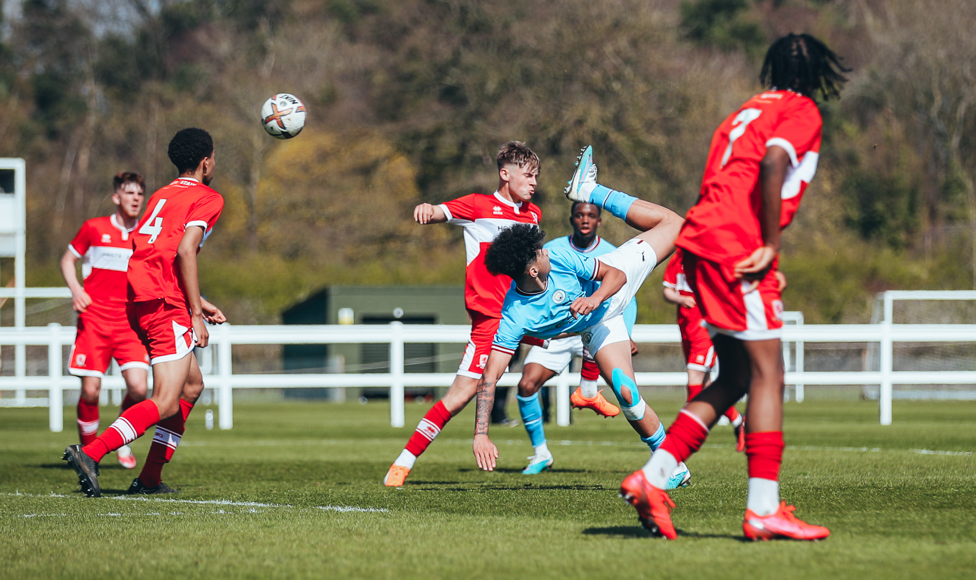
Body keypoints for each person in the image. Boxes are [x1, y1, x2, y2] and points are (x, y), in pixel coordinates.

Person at [620, 33, 848, 541]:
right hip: (735, 246)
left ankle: (651, 479)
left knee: (738, 376)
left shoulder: (743, 112)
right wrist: (767, 245)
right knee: (769, 373)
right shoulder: (802, 110)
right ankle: (763, 509)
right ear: (818, 74)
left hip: (702, 241)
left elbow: (721, 181)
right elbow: (772, 165)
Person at [471, 147, 692, 490]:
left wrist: (593, 298)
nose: (546, 249)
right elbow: (490, 376)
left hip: (615, 285)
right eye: (539, 251)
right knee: (627, 394)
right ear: (531, 269)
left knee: (677, 225)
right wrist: (481, 435)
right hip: (598, 325)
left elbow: (615, 276)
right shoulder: (514, 315)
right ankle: (671, 465)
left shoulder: (560, 257)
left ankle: (592, 191)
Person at [63, 128, 227, 497]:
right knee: (166, 399)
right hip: (164, 304)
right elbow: (185, 251)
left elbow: (156, 253)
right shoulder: (208, 197)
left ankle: (150, 478)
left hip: (141, 299)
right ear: (206, 161)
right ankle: (90, 453)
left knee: (191, 385)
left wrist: (197, 302)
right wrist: (196, 317)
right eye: (213, 157)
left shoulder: (161, 196)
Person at [383, 141, 545, 487]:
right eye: (528, 175)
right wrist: (428, 208)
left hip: (523, 316)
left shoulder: (533, 216)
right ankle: (403, 462)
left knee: (584, 330)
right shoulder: (477, 206)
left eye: (536, 177)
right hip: (490, 319)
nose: (534, 183)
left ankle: (590, 389)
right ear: (505, 174)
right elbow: (440, 211)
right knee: (460, 395)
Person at [515, 201, 638, 474]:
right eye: (580, 215)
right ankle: (540, 454)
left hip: (596, 323)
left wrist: (626, 332)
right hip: (562, 331)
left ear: (599, 222)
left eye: (591, 216)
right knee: (526, 385)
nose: (585, 220)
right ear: (571, 218)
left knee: (626, 389)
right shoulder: (553, 250)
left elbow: (626, 295)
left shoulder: (610, 252)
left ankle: (590, 392)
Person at [60, 172, 151, 469]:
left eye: (140, 193)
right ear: (116, 197)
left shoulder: (147, 234)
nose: (136, 198)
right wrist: (76, 290)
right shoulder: (94, 228)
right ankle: (88, 455)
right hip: (95, 321)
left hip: (130, 324)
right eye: (129, 193)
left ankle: (121, 440)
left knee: (139, 389)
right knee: (90, 391)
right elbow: (67, 260)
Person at [662, 247, 745, 452]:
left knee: (694, 381)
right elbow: (667, 291)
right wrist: (680, 299)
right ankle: (738, 422)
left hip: (705, 328)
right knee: (708, 389)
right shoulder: (678, 258)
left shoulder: (711, 258)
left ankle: (685, 436)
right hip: (685, 327)